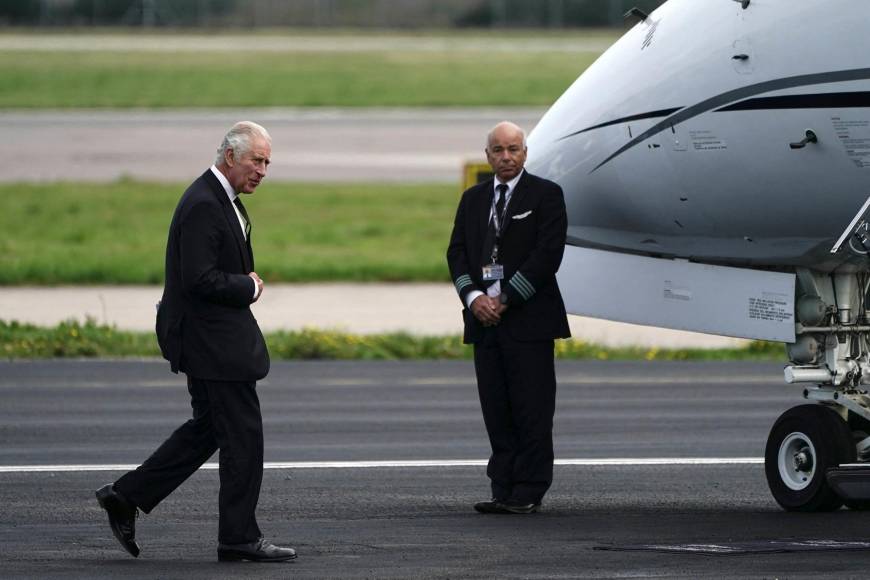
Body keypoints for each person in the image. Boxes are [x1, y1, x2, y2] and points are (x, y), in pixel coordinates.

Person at [95, 121, 296, 562]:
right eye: (256, 160)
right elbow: (199, 278)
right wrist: (249, 286)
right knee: (243, 439)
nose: (262, 170)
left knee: (207, 430)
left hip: (209, 340)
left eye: (267, 162)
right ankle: (238, 538)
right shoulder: (205, 203)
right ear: (230, 156)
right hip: (213, 345)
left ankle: (125, 496)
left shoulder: (220, 198)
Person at [446, 121, 571, 514]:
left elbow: (547, 255)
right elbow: (457, 253)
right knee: (496, 409)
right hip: (484, 322)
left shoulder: (546, 195)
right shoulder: (473, 199)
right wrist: (473, 298)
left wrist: (506, 298)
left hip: (528, 322)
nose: (506, 157)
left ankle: (529, 489)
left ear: (525, 153)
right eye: (498, 150)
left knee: (532, 409)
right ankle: (502, 486)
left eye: (513, 149)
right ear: (487, 155)